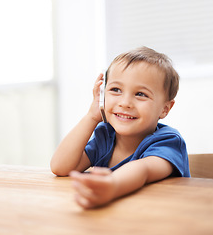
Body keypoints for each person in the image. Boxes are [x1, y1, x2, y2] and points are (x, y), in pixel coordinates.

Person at [50, 46, 190, 209]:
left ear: (165, 108)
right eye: (115, 90)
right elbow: (60, 167)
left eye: (140, 94)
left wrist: (113, 185)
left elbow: (143, 169)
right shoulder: (106, 137)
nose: (124, 103)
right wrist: (92, 116)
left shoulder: (168, 141)